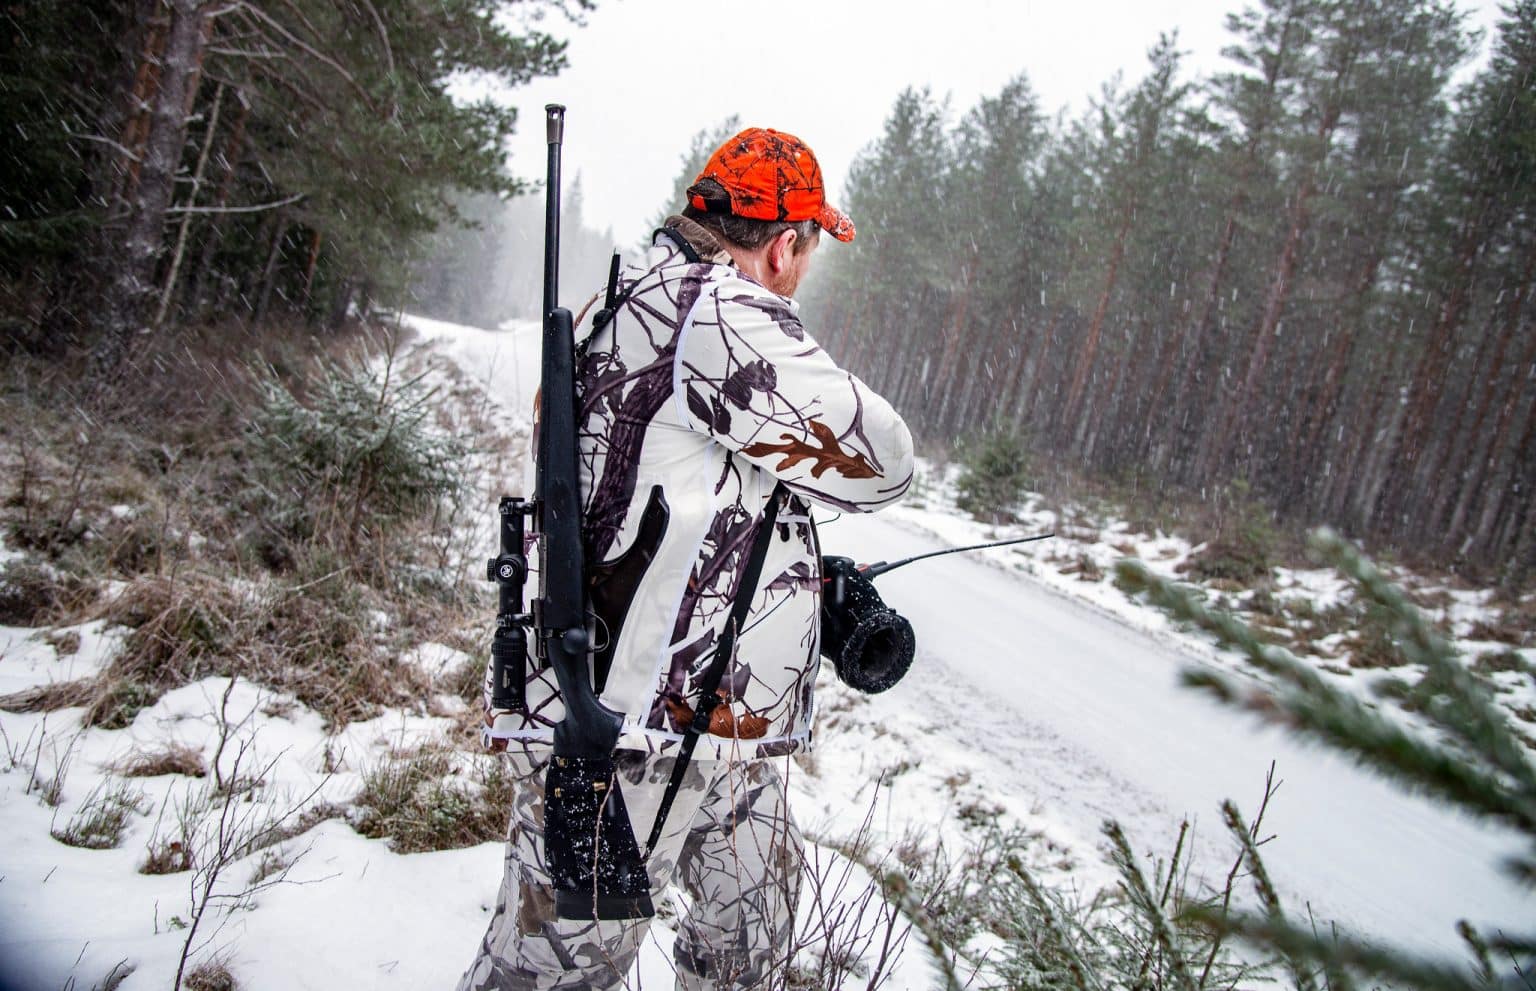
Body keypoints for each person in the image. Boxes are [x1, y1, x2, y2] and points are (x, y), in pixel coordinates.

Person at [457, 127, 914, 991]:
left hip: (703, 714)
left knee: (754, 927)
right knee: (556, 970)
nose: (805, 268)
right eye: (809, 247)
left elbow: (669, 485)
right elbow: (885, 461)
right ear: (785, 246)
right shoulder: (725, 316)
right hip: (634, 724)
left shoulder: (629, 295)